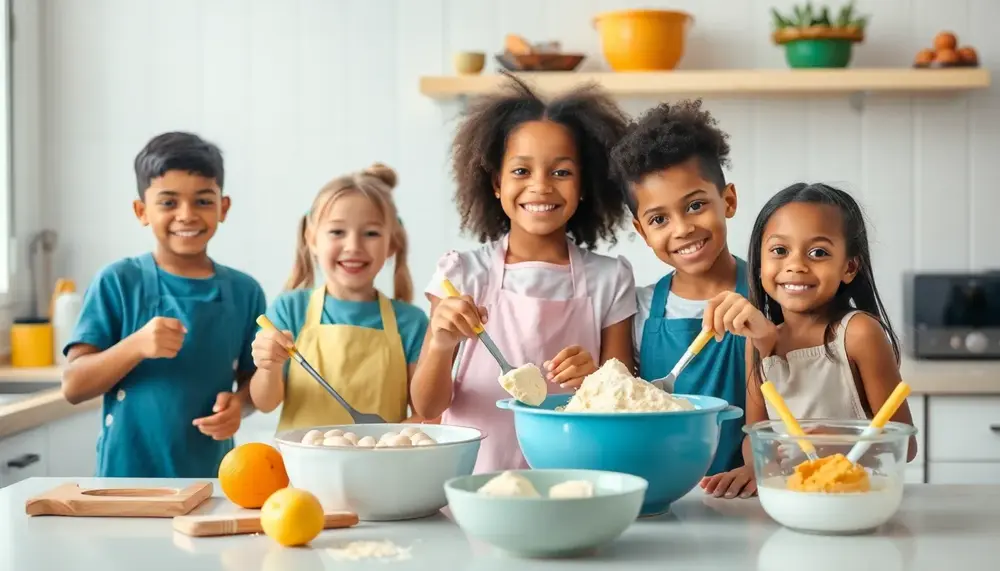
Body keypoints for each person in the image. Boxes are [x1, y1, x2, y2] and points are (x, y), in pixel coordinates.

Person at [412, 73, 636, 474]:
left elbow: (621, 402)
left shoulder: (610, 279)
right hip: (472, 479)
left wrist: (595, 380)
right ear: (496, 183)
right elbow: (427, 406)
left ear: (585, 185)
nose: (541, 186)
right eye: (521, 171)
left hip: (573, 477)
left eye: (561, 172)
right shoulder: (462, 274)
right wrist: (443, 343)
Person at [62, 131, 266, 478]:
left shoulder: (245, 292)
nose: (186, 215)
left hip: (213, 479)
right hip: (124, 479)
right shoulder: (118, 282)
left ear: (223, 207)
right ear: (142, 211)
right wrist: (136, 345)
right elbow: (73, 386)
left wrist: (240, 406)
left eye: (203, 201)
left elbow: (254, 382)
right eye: (169, 202)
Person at [700, 182, 918, 499]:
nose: (796, 265)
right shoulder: (757, 343)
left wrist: (834, 442)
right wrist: (757, 467)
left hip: (857, 498)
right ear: (760, 263)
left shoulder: (859, 334)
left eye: (818, 253)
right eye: (779, 251)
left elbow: (905, 446)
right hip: (791, 501)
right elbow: (755, 435)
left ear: (849, 267)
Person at [610, 99, 747, 484]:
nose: (682, 228)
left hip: (749, 494)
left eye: (696, 205)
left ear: (729, 201)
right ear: (641, 231)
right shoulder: (639, 308)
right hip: (661, 492)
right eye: (659, 219)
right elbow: (624, 404)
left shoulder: (771, 295)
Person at [249, 163, 429, 430]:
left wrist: (391, 445)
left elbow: (426, 412)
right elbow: (265, 402)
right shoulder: (291, 309)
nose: (353, 246)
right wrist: (268, 366)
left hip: (380, 466)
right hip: (300, 470)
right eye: (337, 232)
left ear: (392, 244)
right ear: (312, 239)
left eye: (371, 233)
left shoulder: (411, 322)